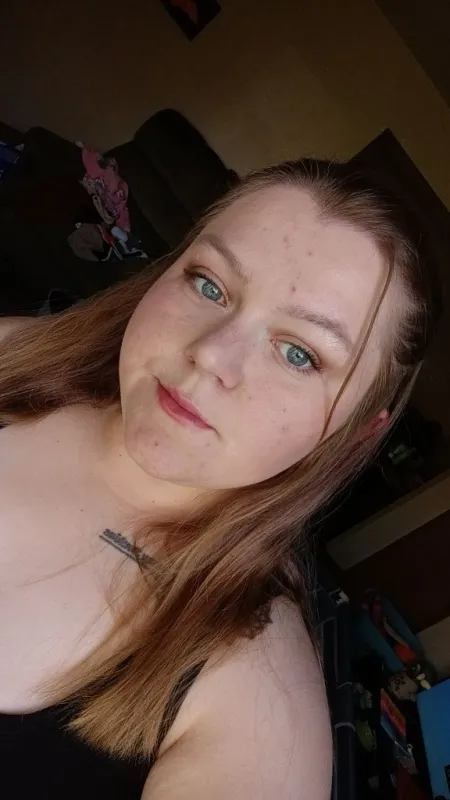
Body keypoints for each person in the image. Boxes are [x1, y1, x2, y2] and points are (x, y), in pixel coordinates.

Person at [0, 158, 440, 799]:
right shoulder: (13, 355)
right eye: (209, 284)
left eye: (299, 354)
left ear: (357, 433)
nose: (210, 354)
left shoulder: (259, 712)